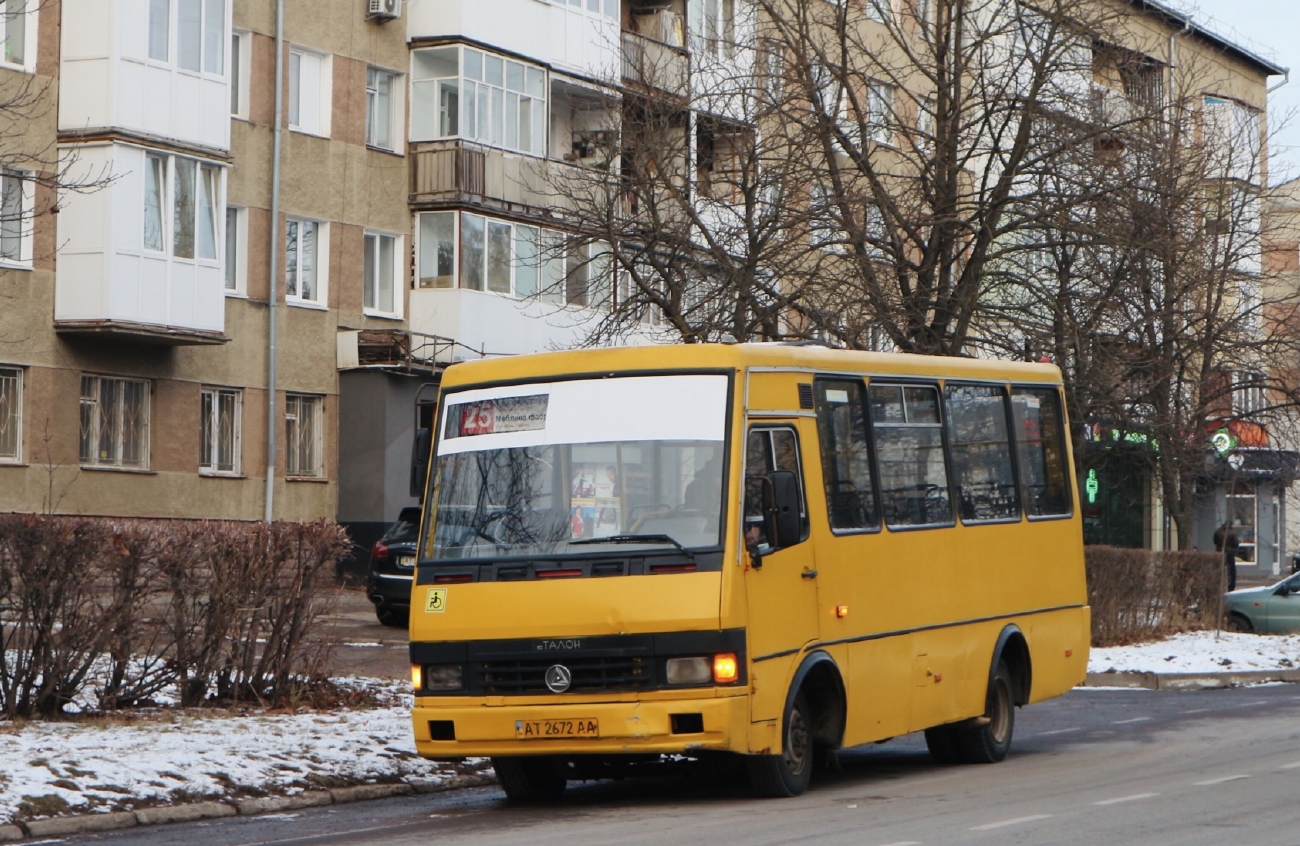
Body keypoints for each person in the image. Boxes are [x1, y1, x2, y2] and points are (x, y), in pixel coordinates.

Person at [1214, 522, 1240, 592]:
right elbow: (1236, 543)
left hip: (1219, 552)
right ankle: (1231, 586)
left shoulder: (1218, 531)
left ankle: (1218, 584)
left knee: (1219, 569)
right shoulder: (1232, 533)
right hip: (1229, 552)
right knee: (1231, 570)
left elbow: (1215, 541)